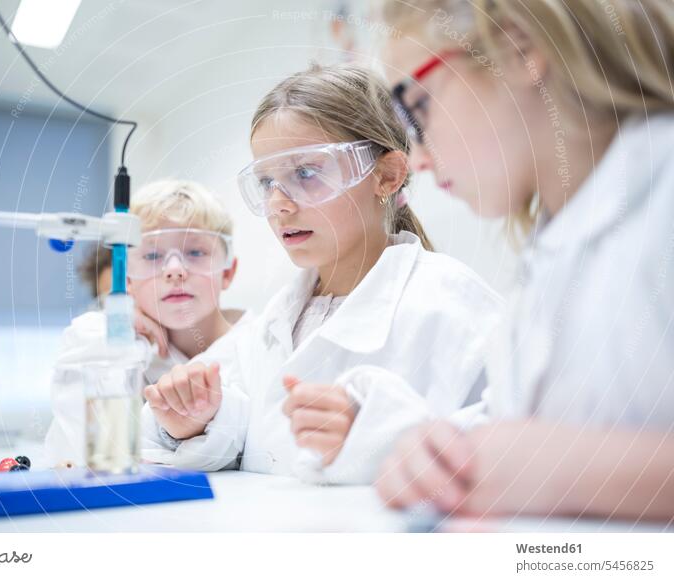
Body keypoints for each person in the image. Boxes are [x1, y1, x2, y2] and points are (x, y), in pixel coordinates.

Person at [374, 0, 674, 520]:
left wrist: (574, 473)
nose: (417, 157)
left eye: (414, 109)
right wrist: (444, 449)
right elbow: (530, 426)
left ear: (518, 49)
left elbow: (549, 456)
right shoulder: (551, 250)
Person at [141, 63, 504, 484]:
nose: (278, 204)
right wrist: (195, 419)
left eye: (306, 173)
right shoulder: (273, 325)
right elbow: (179, 426)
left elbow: (523, 454)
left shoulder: (452, 303)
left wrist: (381, 438)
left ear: (387, 176)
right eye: (265, 182)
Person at [45, 179, 249, 466]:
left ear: (227, 272)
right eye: (152, 255)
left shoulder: (256, 346)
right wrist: (113, 330)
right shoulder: (128, 355)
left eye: (196, 252)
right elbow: (75, 451)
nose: (175, 270)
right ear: (127, 279)